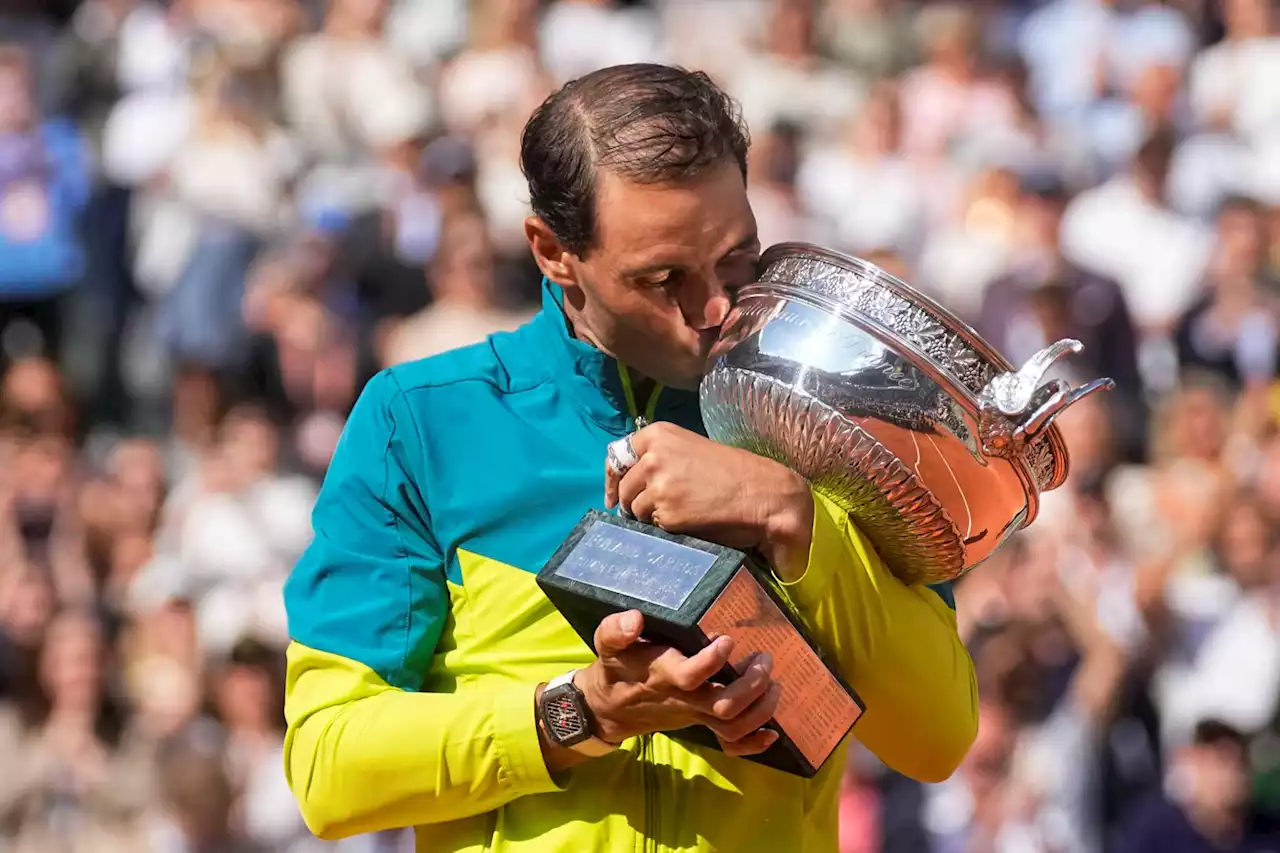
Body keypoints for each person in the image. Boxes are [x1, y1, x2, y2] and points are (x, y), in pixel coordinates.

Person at [282, 63, 978, 852]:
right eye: (663, 278)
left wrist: (793, 512)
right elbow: (327, 765)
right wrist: (584, 712)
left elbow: (939, 739)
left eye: (737, 260)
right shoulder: (419, 420)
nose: (713, 309)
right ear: (552, 251)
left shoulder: (833, 420)